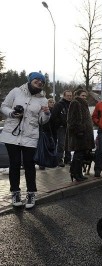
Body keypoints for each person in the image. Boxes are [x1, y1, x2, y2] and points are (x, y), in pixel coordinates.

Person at [0, 72, 50, 208]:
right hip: (12, 134)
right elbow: (3, 106)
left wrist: (46, 114)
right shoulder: (16, 92)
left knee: (29, 165)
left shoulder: (43, 99)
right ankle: (15, 193)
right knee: (14, 164)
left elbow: (41, 121)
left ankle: (31, 193)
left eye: (42, 81)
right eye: (37, 79)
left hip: (30, 136)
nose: (39, 82)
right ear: (30, 80)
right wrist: (12, 113)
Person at [66, 88, 95, 181]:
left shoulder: (82, 104)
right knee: (78, 155)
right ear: (77, 95)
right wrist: (79, 131)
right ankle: (75, 173)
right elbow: (72, 119)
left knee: (80, 155)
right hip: (79, 134)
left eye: (85, 96)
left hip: (84, 134)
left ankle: (77, 173)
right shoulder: (75, 103)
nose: (84, 97)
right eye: (82, 95)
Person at [51, 90, 73, 167]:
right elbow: (54, 116)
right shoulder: (59, 105)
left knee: (69, 144)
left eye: (70, 95)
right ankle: (59, 159)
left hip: (69, 127)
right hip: (61, 127)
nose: (69, 97)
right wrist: (61, 123)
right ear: (64, 96)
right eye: (68, 95)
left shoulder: (72, 104)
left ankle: (68, 159)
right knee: (61, 144)